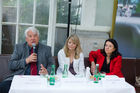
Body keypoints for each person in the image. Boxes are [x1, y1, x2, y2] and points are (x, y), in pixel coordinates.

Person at [0, 27, 54, 93]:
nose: (33, 38)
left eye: (35, 36)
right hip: (20, 78)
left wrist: (47, 71)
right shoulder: (19, 47)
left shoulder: (46, 49)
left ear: (38, 38)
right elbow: (11, 65)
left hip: (39, 79)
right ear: (26, 39)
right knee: (3, 87)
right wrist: (26, 60)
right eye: (30, 36)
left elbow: (51, 64)